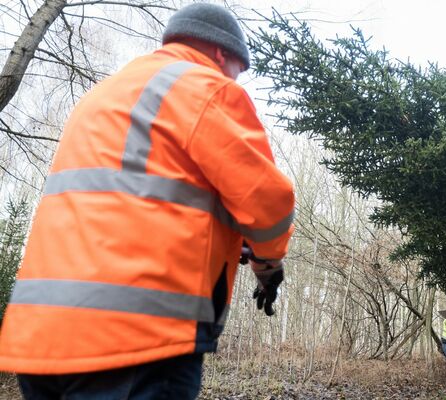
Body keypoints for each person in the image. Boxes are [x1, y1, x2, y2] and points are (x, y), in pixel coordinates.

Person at [0, 3, 295, 399]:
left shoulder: (104, 95)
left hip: (39, 339)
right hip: (136, 340)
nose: (236, 79)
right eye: (239, 70)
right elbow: (267, 201)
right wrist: (267, 263)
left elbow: (137, 201)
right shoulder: (207, 88)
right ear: (223, 54)